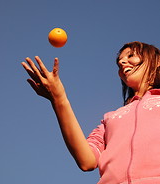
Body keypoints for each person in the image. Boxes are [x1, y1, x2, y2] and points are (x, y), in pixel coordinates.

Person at [21, 41, 160, 184]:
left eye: (131, 55)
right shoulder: (111, 118)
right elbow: (87, 161)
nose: (123, 62)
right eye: (119, 62)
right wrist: (58, 98)